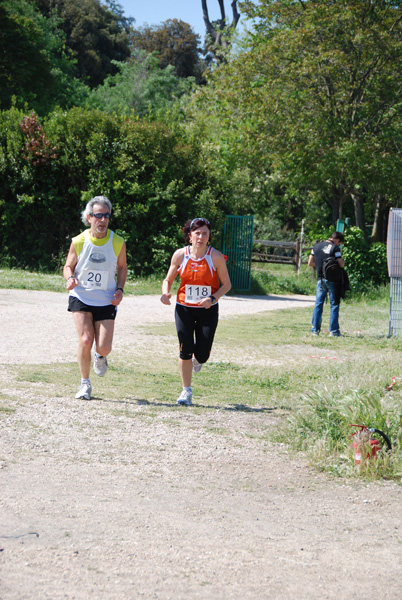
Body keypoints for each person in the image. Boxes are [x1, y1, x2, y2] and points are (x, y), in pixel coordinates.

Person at [160, 218, 231, 406]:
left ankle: (198, 360)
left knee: (202, 354)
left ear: (209, 237)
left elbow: (227, 285)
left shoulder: (215, 256)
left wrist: (212, 299)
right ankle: (186, 391)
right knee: (185, 349)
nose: (200, 236)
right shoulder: (180, 255)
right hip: (184, 308)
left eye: (205, 233)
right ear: (189, 235)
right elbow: (168, 279)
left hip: (208, 310)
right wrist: (165, 293)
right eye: (197, 233)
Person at [63, 195, 127, 400]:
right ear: (89, 217)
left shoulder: (117, 241)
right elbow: (68, 266)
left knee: (103, 346)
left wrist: (120, 289)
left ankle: (101, 356)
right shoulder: (79, 241)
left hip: (106, 299)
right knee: (85, 339)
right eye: (98, 215)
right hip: (81, 296)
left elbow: (122, 267)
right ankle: (84, 384)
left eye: (106, 216)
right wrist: (70, 278)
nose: (103, 220)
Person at [308, 231, 345, 337]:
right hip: (332, 279)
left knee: (318, 304)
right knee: (334, 304)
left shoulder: (316, 246)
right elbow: (341, 264)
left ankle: (315, 330)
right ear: (337, 240)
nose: (339, 245)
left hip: (320, 279)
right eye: (339, 243)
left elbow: (310, 263)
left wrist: (321, 264)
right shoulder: (335, 248)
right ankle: (333, 331)